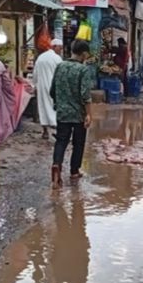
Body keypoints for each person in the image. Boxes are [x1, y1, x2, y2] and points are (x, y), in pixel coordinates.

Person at [49, 39, 94, 188]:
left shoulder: (60, 66)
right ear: (84, 53)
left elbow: (52, 90)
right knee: (78, 143)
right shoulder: (83, 70)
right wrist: (88, 114)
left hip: (62, 112)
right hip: (78, 114)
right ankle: (74, 171)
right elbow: (85, 95)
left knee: (61, 141)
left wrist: (59, 103)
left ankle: (56, 164)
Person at [33, 38, 64, 138]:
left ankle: (45, 131)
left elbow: (35, 74)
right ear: (54, 47)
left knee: (42, 107)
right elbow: (61, 74)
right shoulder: (57, 59)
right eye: (60, 48)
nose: (61, 50)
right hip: (54, 86)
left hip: (42, 86)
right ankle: (57, 129)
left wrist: (35, 84)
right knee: (55, 107)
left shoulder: (41, 57)